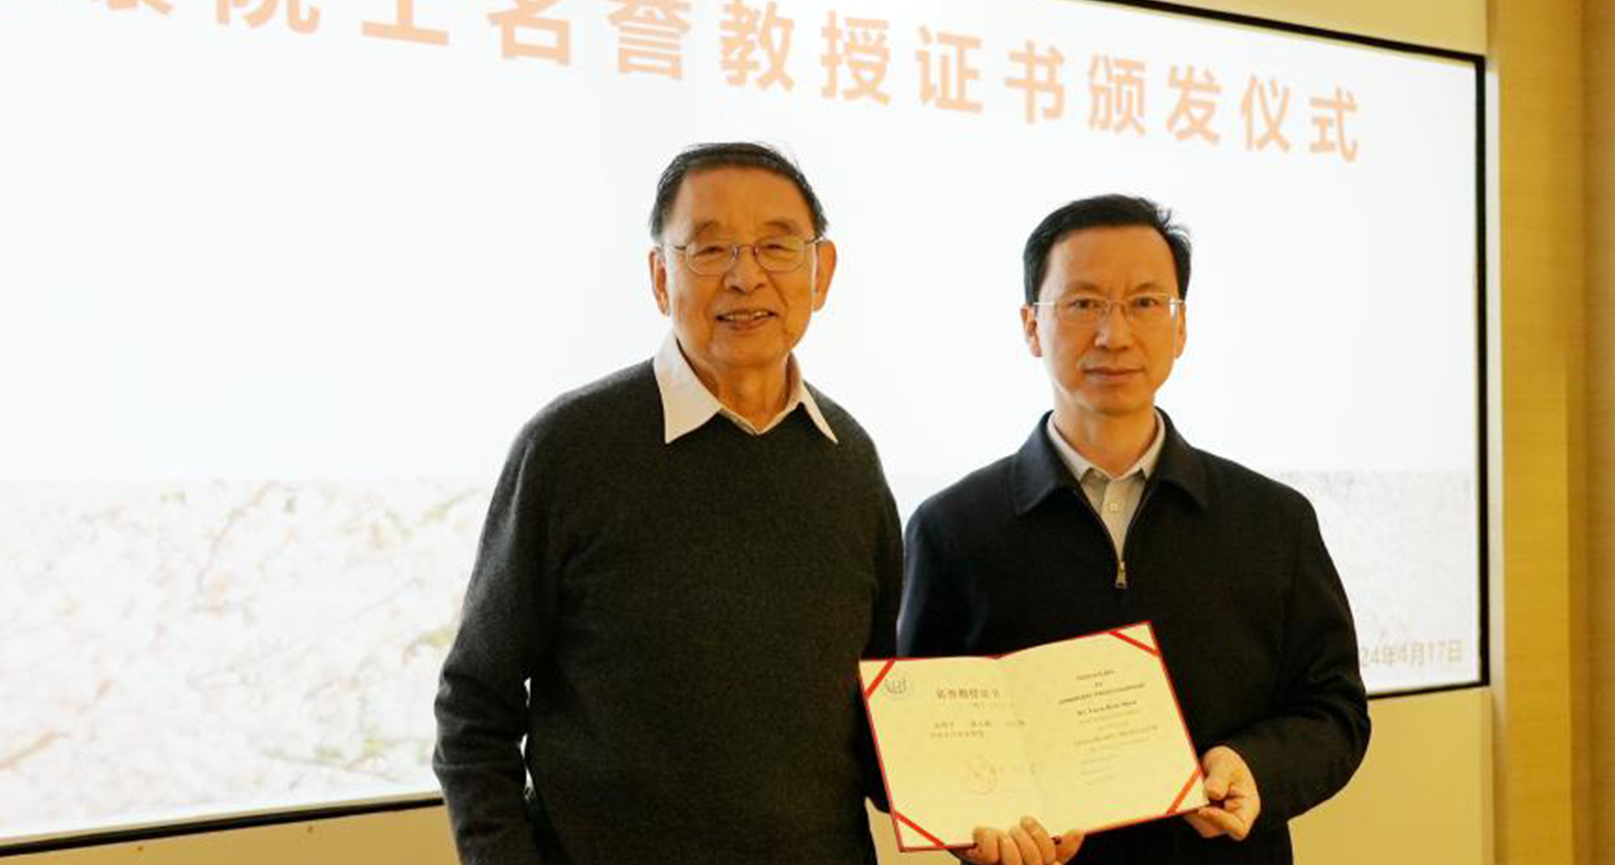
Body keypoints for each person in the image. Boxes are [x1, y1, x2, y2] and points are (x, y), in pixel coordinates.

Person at [431, 142, 901, 865]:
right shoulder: (570, 446)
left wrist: (983, 811)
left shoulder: (850, 457)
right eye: (709, 250)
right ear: (660, 276)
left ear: (822, 271)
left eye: (777, 246)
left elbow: (881, 708)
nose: (746, 277)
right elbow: (474, 704)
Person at [898, 195, 1370, 865]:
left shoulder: (1273, 520)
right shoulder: (953, 528)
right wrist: (976, 832)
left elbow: (1335, 711)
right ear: (1032, 325)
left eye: (1145, 303)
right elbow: (922, 745)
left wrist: (1256, 766)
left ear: (1181, 327)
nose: (1113, 334)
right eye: (1083, 303)